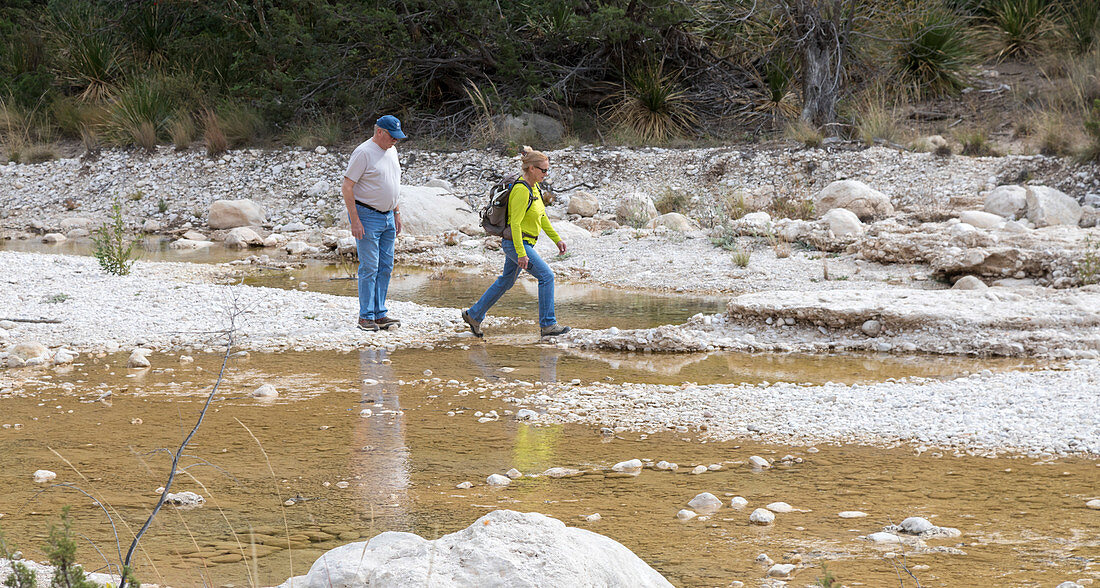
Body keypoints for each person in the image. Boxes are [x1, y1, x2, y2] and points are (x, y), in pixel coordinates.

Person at [462, 146, 571, 338]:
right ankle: (548, 325)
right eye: (543, 170)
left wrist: (557, 239)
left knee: (505, 281)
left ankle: (474, 315)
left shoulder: (534, 186)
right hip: (516, 244)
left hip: (522, 244)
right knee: (547, 277)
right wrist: (521, 253)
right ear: (531, 169)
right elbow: (515, 225)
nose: (546, 174)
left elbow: (542, 216)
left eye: (547, 170)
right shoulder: (521, 190)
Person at [342, 115, 405, 332]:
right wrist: (355, 220)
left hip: (388, 215)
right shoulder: (363, 152)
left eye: (397, 137)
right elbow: (347, 187)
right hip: (367, 215)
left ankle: (379, 314)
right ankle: (365, 317)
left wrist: (396, 212)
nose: (395, 141)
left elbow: (393, 183)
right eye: (392, 136)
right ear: (379, 132)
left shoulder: (392, 150)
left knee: (386, 266)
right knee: (370, 266)